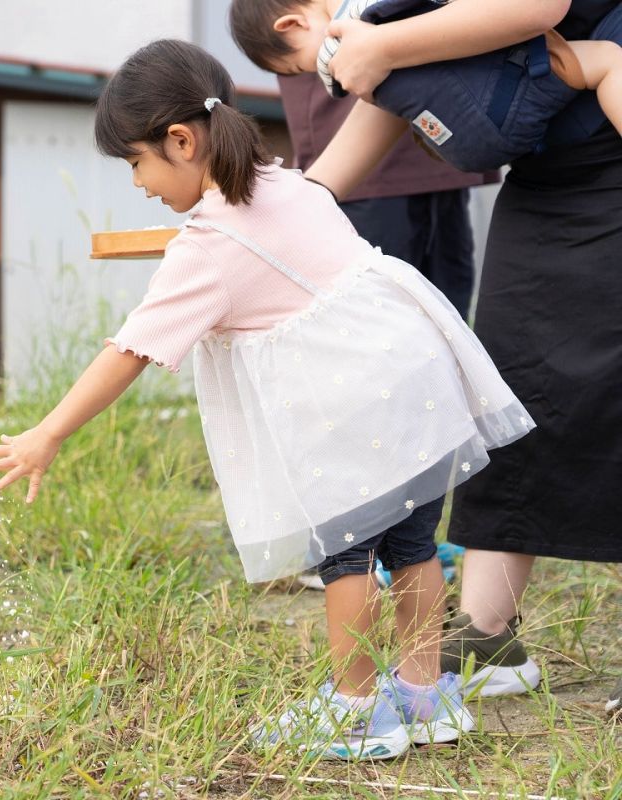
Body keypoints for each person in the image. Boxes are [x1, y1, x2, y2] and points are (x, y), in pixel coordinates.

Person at [0, 39, 535, 758]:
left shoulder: (207, 246)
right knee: (413, 544)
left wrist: (46, 433)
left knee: (347, 555)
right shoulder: (291, 185)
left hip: (352, 403)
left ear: (180, 140)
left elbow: (130, 350)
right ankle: (424, 698)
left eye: (136, 162)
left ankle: (355, 710)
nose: (139, 183)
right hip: (414, 382)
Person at [293, 0, 622, 711]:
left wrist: (385, 48)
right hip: (546, 175)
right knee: (513, 382)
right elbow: (419, 78)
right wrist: (300, 204)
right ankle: (488, 634)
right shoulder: (399, 20)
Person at [275, 71, 494, 590]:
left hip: (443, 162)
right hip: (359, 176)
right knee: (357, 368)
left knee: (436, 355)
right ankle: (346, 543)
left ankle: (413, 533)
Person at [229, 0, 622, 172]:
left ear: (293, 24)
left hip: (484, 132)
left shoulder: (359, 34)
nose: (321, 71)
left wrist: (382, 49)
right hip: (516, 94)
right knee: (605, 60)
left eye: (303, 63)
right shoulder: (371, 20)